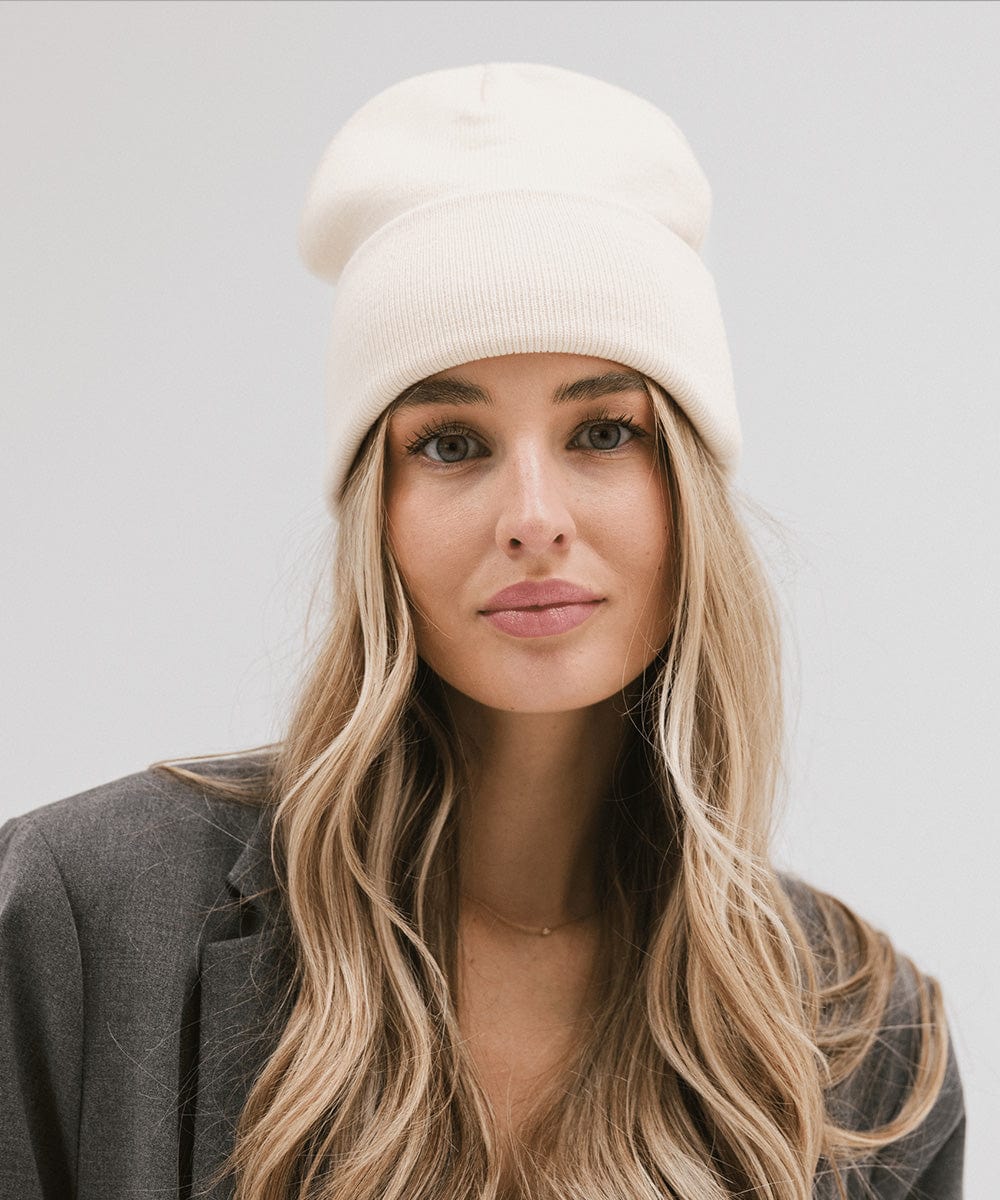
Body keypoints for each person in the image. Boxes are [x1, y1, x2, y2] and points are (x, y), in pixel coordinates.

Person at [0, 63, 963, 1200]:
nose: (534, 520)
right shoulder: (83, 915)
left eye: (604, 431)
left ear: (688, 489)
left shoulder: (865, 1044)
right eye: (450, 444)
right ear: (378, 512)